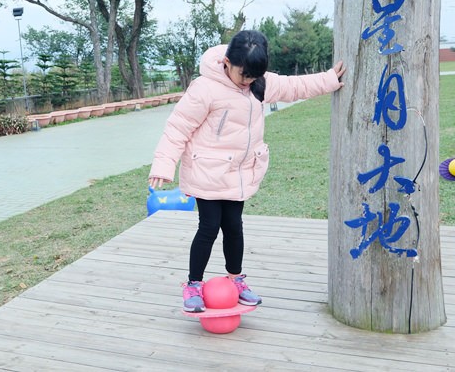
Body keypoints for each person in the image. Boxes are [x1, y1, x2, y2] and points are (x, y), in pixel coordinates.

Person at [148, 30, 346, 312]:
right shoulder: (205, 88)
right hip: (207, 172)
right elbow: (178, 127)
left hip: (238, 173)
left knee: (233, 227)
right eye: (244, 76)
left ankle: (236, 279)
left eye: (254, 76)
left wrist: (329, 79)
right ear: (227, 62)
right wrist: (164, 164)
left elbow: (295, 87)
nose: (248, 81)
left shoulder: (258, 82)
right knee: (208, 227)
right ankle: (193, 285)